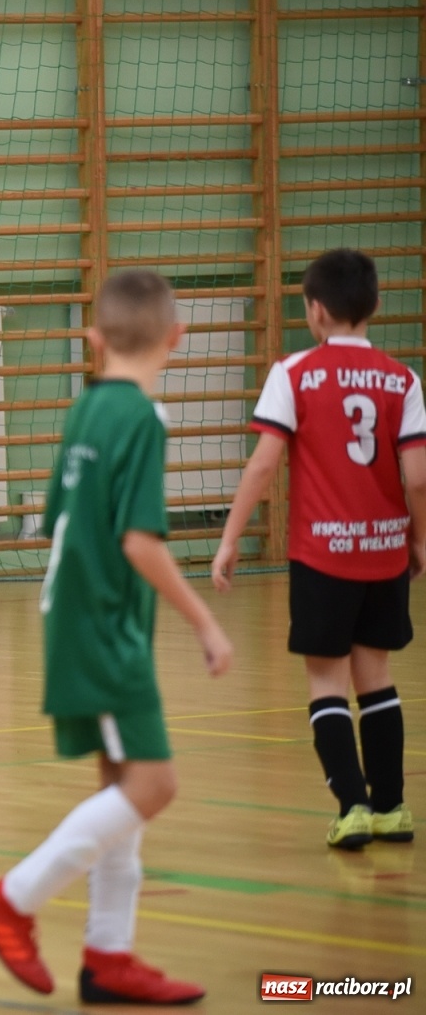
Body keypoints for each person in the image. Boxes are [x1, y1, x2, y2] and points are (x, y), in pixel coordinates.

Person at [0, 269, 232, 1005]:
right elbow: (140, 541)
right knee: (155, 784)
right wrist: (206, 623)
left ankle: (109, 955)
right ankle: (10, 900)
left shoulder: (85, 410)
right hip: (106, 626)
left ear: (92, 340)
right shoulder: (141, 418)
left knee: (122, 789)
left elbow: (59, 520)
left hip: (78, 615)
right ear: (178, 337)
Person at [213, 247, 426, 850]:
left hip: (322, 554)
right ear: (375, 305)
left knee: (326, 684)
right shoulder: (402, 378)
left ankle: (352, 806)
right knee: (377, 680)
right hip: (384, 550)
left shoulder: (293, 373)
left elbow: (262, 466)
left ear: (313, 310)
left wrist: (230, 538)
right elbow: (418, 477)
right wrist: (417, 538)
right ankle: (392, 808)